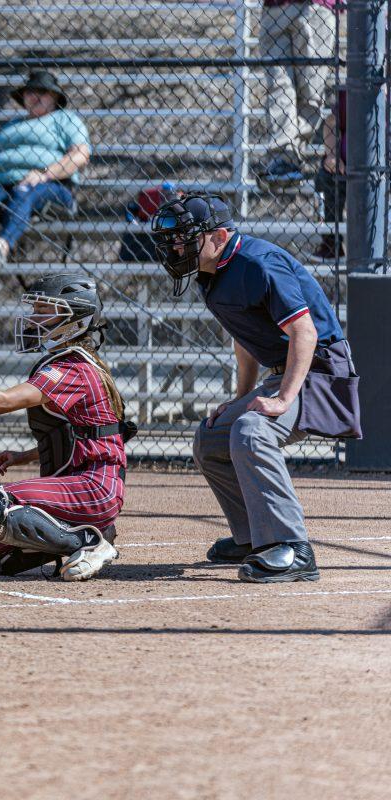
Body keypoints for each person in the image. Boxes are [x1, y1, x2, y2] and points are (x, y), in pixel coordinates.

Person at [150, 193, 361, 583]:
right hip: (287, 371)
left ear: (218, 236)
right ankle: (253, 538)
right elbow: (244, 336)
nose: (177, 247)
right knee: (212, 438)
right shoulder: (211, 272)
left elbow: (305, 332)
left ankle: (293, 548)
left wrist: (282, 399)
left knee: (252, 430)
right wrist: (241, 394)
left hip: (320, 372)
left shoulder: (257, 263)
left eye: (186, 238)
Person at [0, 274, 130, 581]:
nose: (34, 318)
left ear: (74, 320)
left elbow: (2, 403)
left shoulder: (73, 367)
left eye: (45, 311)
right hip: (78, 485)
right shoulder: (70, 362)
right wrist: (22, 457)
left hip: (93, 487)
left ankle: (89, 542)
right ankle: (87, 530)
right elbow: (78, 437)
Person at [0, 71, 91, 268]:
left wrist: (45, 173)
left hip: (52, 185)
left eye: (42, 92)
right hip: (2, 186)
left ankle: (0, 247)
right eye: (29, 92)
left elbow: (81, 154)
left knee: (25, 190)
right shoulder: (12, 125)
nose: (34, 96)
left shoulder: (65, 119)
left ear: (55, 97)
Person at [258, 0, 341, 184]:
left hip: (277, 8)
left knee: (280, 86)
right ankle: (288, 157)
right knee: (310, 93)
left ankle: (284, 157)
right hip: (314, 7)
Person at [313, 88, 345, 260]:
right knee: (324, 177)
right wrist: (333, 155)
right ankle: (331, 243)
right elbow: (331, 122)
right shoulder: (354, 90)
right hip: (346, 164)